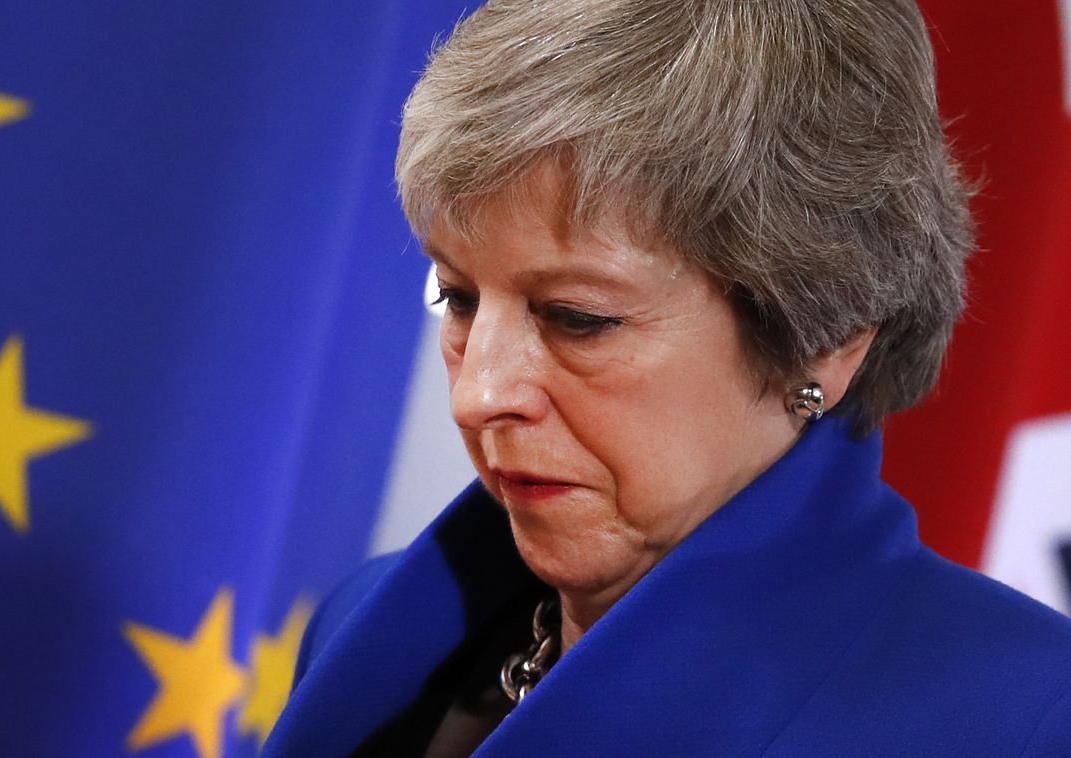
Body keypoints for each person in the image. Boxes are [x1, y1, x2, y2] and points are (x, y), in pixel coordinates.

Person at [263, 1, 1071, 755]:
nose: (478, 396)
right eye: (459, 297)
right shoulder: (356, 622)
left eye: (577, 317)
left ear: (825, 338)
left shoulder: (1027, 720)